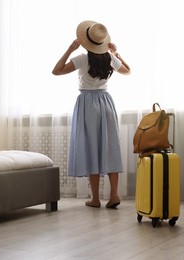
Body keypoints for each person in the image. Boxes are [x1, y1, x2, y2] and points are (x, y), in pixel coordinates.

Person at [52, 20, 130, 208]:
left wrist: (70, 49)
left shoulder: (81, 59)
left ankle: (95, 199)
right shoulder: (110, 59)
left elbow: (56, 71)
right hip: (106, 102)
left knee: (91, 148)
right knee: (110, 147)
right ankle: (114, 195)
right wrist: (116, 53)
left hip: (87, 103)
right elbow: (128, 71)